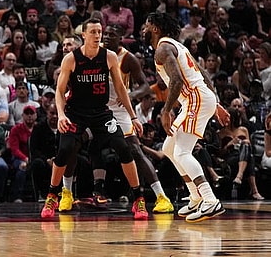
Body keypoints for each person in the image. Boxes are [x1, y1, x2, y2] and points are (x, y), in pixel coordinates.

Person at [41, 18, 148, 220]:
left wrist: (133, 116)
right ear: (83, 35)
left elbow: (120, 88)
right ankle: (52, 195)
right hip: (76, 112)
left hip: (101, 112)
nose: (98, 35)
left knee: (123, 147)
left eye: (99, 32)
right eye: (93, 32)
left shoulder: (109, 57)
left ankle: (138, 198)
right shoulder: (71, 59)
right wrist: (61, 115)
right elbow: (60, 91)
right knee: (65, 149)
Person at [144, 11, 229, 222]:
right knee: (169, 149)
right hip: (200, 98)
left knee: (182, 152)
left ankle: (210, 200)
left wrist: (166, 111)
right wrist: (215, 102)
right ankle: (195, 197)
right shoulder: (177, 45)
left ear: (155, 28)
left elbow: (177, 81)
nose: (143, 30)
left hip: (195, 99)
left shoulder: (163, 48)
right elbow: (203, 73)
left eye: (146, 26)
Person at [92, 24, 174, 213]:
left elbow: (145, 86)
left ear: (121, 38)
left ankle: (161, 196)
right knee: (84, 143)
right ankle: (92, 191)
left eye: (112, 35)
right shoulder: (95, 52)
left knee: (135, 150)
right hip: (98, 108)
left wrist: (129, 95)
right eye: (106, 34)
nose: (107, 37)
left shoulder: (128, 58)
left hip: (120, 109)